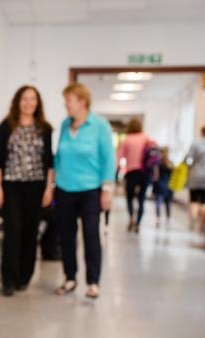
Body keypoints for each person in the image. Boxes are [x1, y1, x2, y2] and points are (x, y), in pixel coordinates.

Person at [54, 83, 115, 299]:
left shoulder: (100, 126)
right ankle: (70, 278)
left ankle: (93, 282)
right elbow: (58, 156)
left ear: (82, 101)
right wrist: (52, 182)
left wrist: (106, 190)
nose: (66, 105)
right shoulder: (64, 125)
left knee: (91, 234)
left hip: (90, 190)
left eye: (68, 101)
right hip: (64, 189)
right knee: (66, 236)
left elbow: (109, 160)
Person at [0, 85, 54, 296]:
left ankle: (24, 277)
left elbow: (49, 162)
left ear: (38, 103)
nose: (29, 103)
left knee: (30, 231)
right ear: (18, 101)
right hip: (11, 186)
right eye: (25, 99)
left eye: (33, 99)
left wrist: (48, 189)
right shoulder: (6, 126)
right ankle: (8, 279)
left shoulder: (44, 128)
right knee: (13, 231)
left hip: (36, 186)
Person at [117, 118, 154, 233]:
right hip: (145, 173)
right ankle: (138, 223)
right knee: (141, 199)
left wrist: (117, 171)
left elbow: (118, 157)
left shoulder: (126, 140)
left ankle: (131, 218)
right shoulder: (147, 138)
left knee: (129, 197)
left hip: (132, 172)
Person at [185, 125, 205, 232]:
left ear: (202, 132)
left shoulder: (196, 143)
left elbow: (187, 158)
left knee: (194, 200)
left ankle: (193, 220)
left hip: (195, 174)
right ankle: (201, 224)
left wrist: (188, 167)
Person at [153, 146, 174, 227]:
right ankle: (168, 219)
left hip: (159, 185)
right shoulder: (171, 163)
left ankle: (158, 219)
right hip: (168, 185)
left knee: (158, 202)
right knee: (168, 203)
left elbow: (156, 176)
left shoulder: (157, 163)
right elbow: (173, 176)